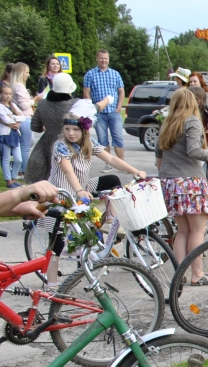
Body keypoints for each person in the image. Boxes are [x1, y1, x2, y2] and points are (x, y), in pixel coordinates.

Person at [44, 107, 146, 288]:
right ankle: (51, 284)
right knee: (57, 242)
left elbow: (112, 160)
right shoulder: (61, 146)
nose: (71, 133)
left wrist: (135, 170)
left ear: (84, 131)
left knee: (113, 180)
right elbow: (67, 171)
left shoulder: (89, 143)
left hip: (81, 188)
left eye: (75, 130)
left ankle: (110, 218)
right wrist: (79, 191)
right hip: (60, 192)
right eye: (67, 129)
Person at [156, 89, 208, 284]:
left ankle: (179, 275)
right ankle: (197, 274)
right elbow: (194, 151)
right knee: (197, 230)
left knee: (182, 230)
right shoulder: (191, 121)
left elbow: (158, 157)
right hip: (190, 182)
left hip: (169, 182)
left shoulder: (167, 124)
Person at [27, 73, 81, 184]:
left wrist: (47, 127)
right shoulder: (75, 104)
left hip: (46, 144)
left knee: (43, 178)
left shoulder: (42, 104)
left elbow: (35, 127)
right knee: (67, 177)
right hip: (69, 143)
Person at [82, 49, 126, 167]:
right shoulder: (90, 74)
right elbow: (86, 93)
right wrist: (92, 109)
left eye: (106, 58)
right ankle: (108, 164)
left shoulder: (115, 74)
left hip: (113, 111)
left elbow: (121, 92)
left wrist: (119, 107)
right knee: (102, 139)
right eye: (101, 58)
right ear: (97, 58)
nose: (103, 60)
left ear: (108, 59)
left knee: (118, 138)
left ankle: (122, 163)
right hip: (99, 113)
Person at [10, 63, 35, 179]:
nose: (28, 75)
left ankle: (20, 168)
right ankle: (23, 171)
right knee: (25, 145)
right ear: (20, 73)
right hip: (24, 117)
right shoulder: (19, 86)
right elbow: (24, 105)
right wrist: (35, 100)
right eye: (26, 72)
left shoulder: (14, 85)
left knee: (27, 143)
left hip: (23, 117)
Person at [0, 85, 23, 187]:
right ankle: (8, 180)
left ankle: (14, 178)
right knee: (6, 158)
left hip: (15, 133)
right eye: (5, 93)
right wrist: (14, 119)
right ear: (1, 94)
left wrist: (13, 117)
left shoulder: (13, 105)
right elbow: (5, 119)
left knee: (18, 159)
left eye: (10, 94)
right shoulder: (1, 106)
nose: (8, 96)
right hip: (5, 134)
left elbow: (22, 117)